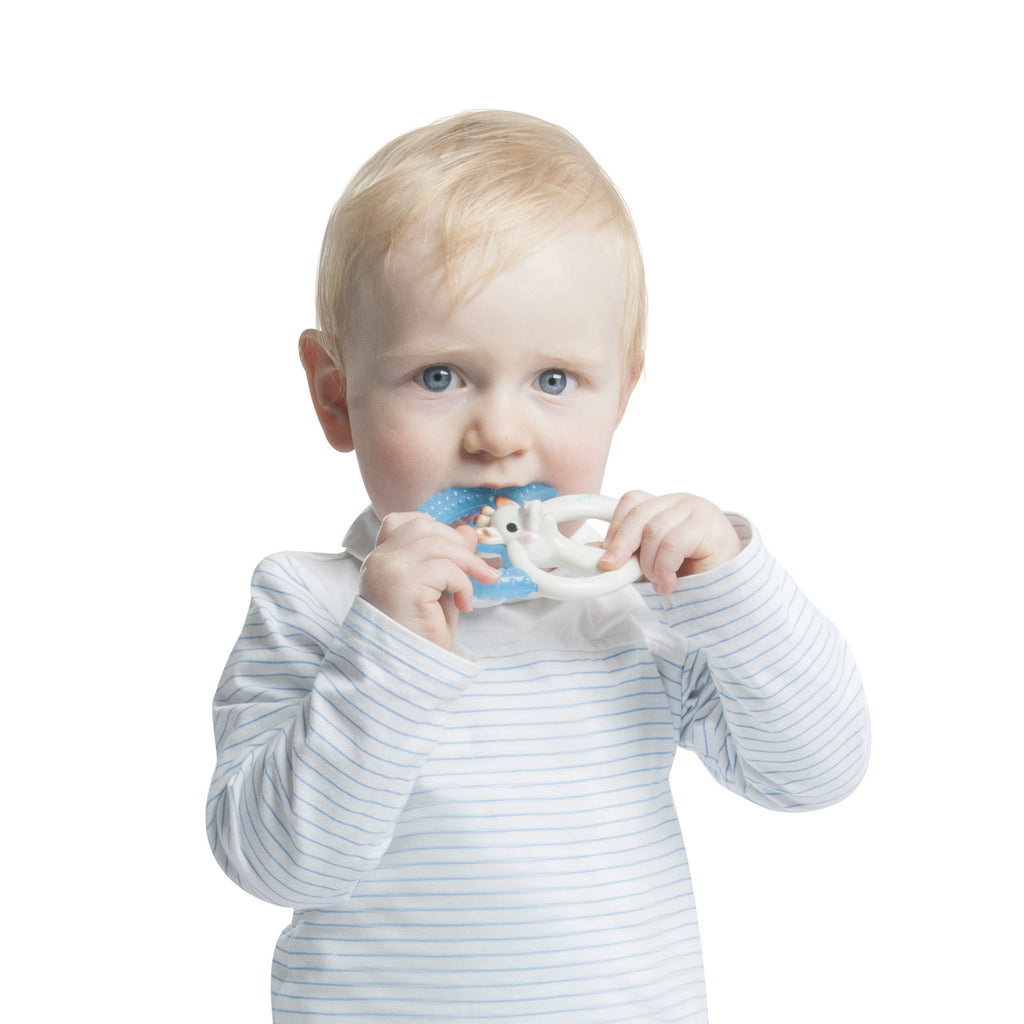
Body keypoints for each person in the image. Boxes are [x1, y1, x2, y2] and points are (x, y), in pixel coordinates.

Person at [207, 110, 869, 1023]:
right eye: (439, 376)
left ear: (622, 394)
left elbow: (816, 772)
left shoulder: (639, 606)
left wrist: (732, 589)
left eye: (554, 381)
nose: (500, 437)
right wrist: (389, 649)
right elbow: (278, 861)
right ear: (335, 396)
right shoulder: (312, 604)